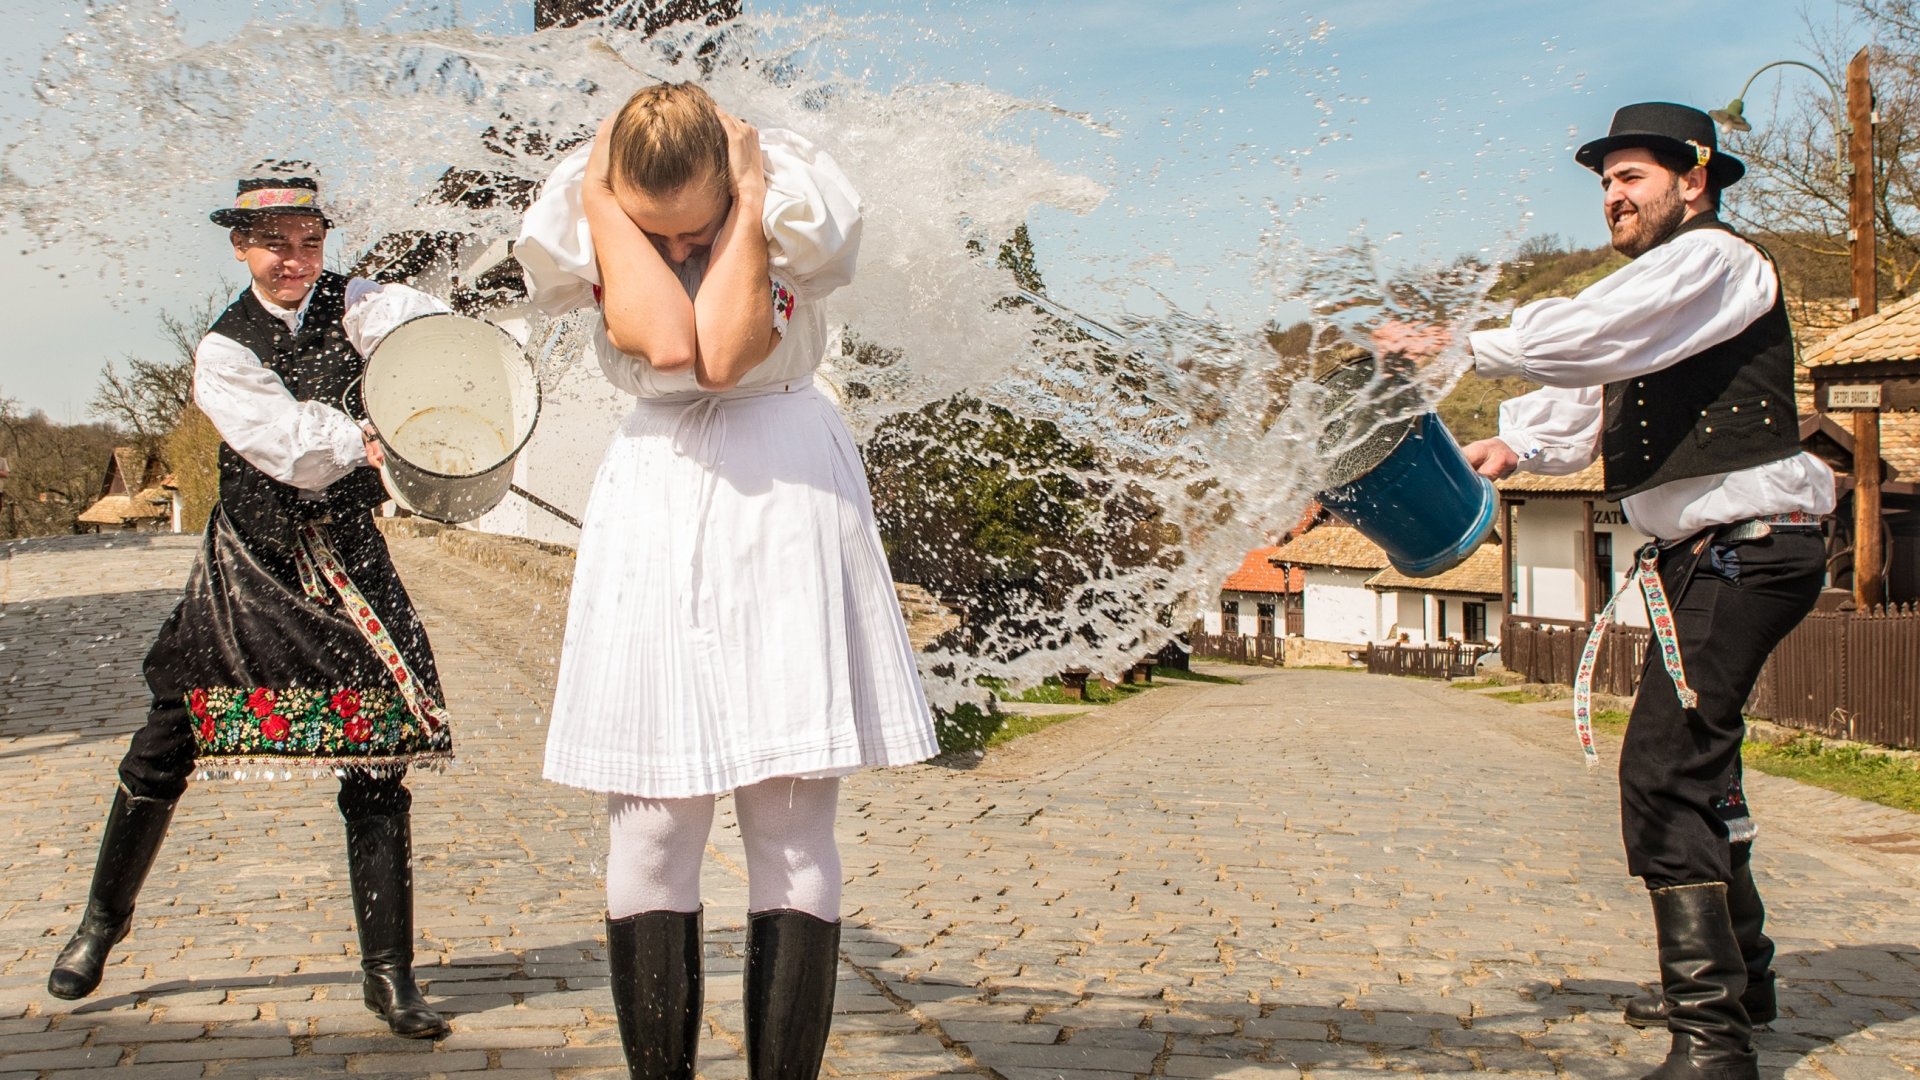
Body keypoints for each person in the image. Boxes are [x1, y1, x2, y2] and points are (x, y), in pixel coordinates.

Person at [515, 83, 939, 1080]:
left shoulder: (791, 197)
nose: (675, 250)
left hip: (785, 486)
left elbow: (725, 354)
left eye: (691, 228)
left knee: (790, 822)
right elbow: (670, 344)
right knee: (652, 820)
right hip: (656, 490)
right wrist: (604, 200)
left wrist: (747, 204)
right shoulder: (583, 202)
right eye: (650, 231)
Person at [1458, 103, 1835, 1080]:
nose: (1613, 197)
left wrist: (1466, 342)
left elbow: (1593, 334)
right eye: (1605, 183)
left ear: (1693, 180)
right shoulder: (1657, 292)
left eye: (1631, 177)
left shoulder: (1715, 261)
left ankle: (1712, 1043)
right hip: (1715, 554)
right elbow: (1585, 388)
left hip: (1747, 548)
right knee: (1699, 765)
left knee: (1664, 770)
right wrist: (1511, 446)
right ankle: (1744, 983)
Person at [46, 172, 457, 1041]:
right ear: (240, 247)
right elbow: (291, 446)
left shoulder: (357, 303)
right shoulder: (224, 351)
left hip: (348, 560)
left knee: (378, 758)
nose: (294, 261)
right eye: (274, 245)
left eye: (309, 242)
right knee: (167, 739)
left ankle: (390, 975)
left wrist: (439, 378)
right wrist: (367, 436)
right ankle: (100, 926)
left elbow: (426, 332)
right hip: (253, 564)